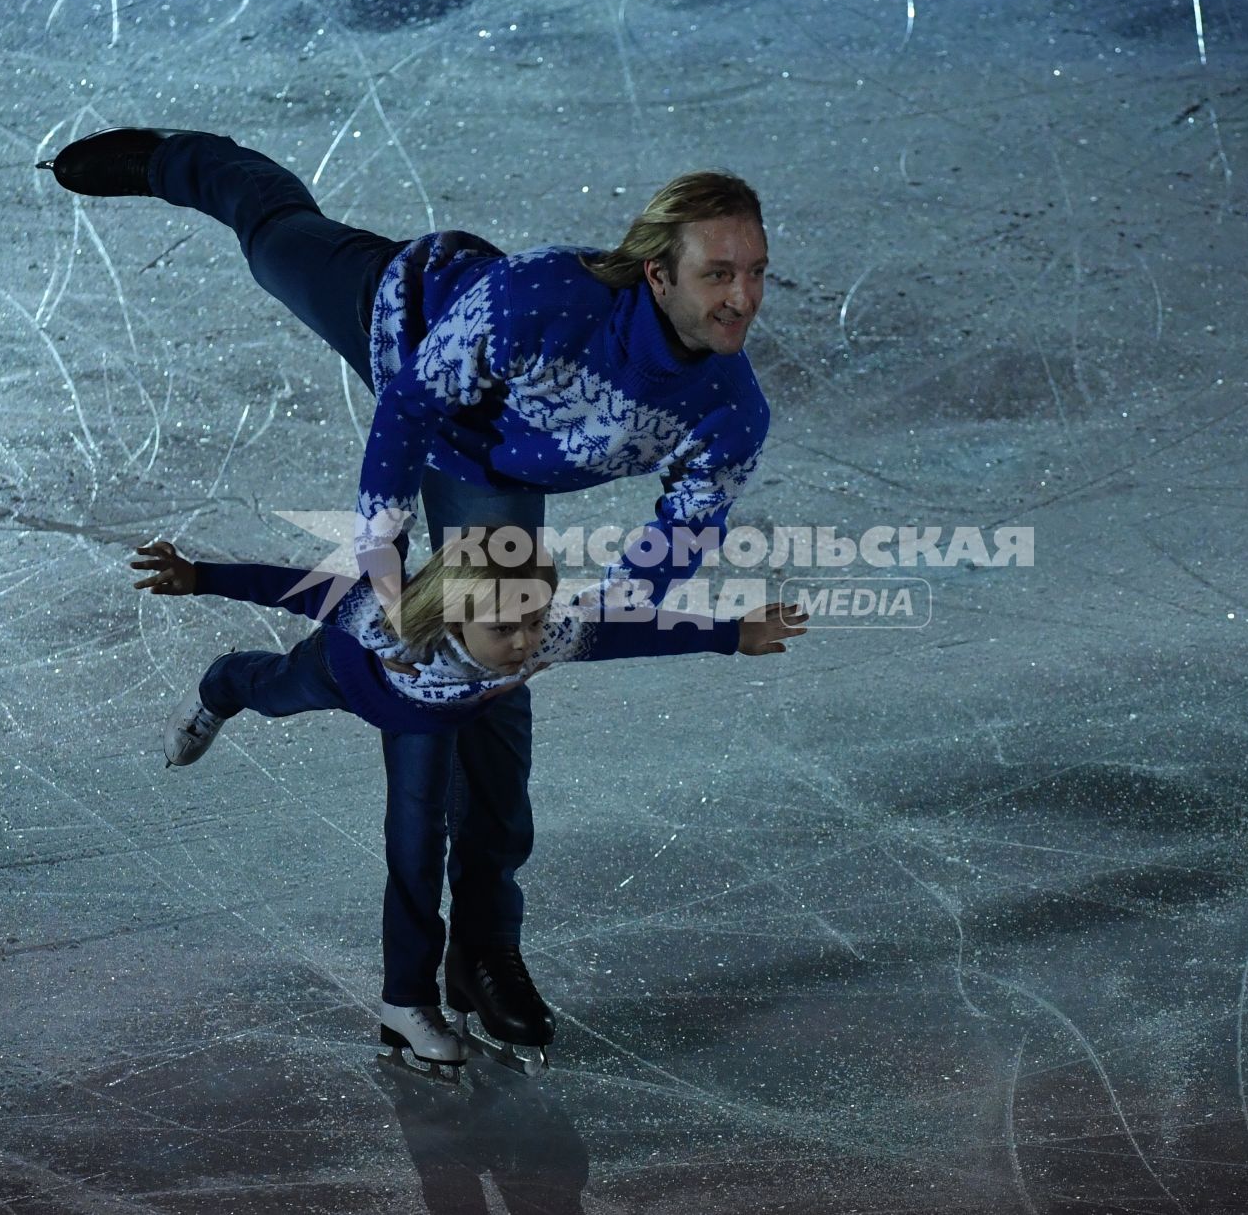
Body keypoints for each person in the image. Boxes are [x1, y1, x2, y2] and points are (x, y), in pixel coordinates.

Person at [45, 127, 773, 1072]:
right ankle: (172, 160)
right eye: (720, 273)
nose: (744, 298)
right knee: (275, 238)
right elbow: (410, 411)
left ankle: (483, 950)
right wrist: (381, 556)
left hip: (492, 479)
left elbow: (669, 552)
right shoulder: (539, 300)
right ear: (654, 273)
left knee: (499, 690)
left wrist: (562, 633)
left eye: (757, 272)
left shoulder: (730, 409)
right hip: (403, 321)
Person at [129, 531, 806, 1076]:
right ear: (454, 616)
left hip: (426, 725)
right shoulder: (384, 623)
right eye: (507, 627)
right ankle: (220, 685)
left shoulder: (545, 635)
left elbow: (626, 630)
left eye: (535, 621)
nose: (525, 643)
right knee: (272, 692)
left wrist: (729, 634)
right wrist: (199, 576)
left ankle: (407, 1000)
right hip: (348, 674)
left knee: (416, 846)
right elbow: (293, 589)